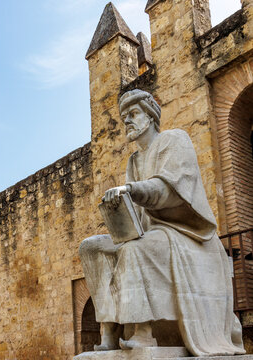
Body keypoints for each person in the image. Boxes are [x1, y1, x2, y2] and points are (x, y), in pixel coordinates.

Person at [79, 89, 245, 356]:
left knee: (133, 250)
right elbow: (133, 212)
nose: (128, 123)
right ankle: (108, 332)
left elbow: (169, 189)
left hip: (185, 234)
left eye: (133, 114)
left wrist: (131, 189)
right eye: (124, 119)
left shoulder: (174, 140)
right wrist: (118, 213)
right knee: (91, 247)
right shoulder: (134, 160)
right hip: (149, 234)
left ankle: (142, 333)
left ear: (151, 116)